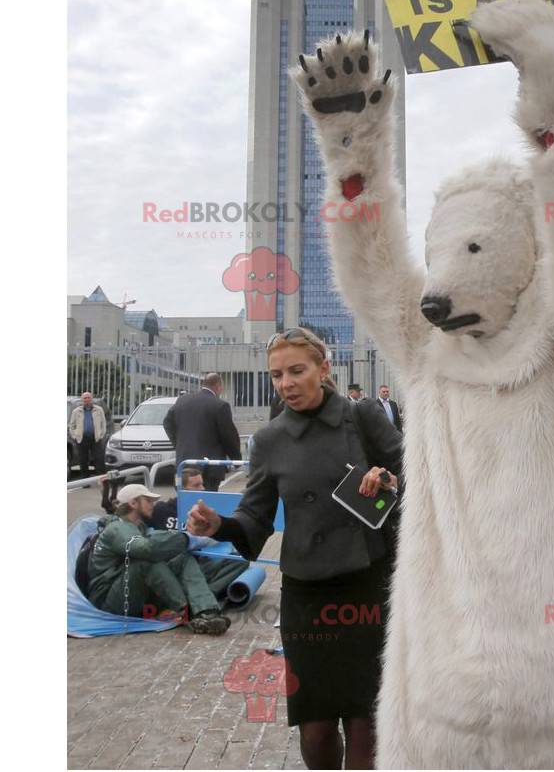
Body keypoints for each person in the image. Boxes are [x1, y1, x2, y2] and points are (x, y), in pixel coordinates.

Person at [186, 326, 402, 769]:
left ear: (324, 369)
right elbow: (254, 521)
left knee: (367, 720)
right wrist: (219, 525)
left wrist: (388, 482)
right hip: (308, 594)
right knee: (315, 726)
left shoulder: (363, 418)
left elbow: (421, 476)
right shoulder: (269, 441)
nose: (286, 383)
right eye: (276, 375)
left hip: (368, 585)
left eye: (297, 371)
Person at [86, 484, 231, 635]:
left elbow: (155, 543)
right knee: (145, 562)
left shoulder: (137, 526)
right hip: (110, 601)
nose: (152, 504)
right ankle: (188, 613)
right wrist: (187, 539)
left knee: (181, 557)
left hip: (130, 592)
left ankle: (206, 611)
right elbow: (146, 549)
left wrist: (183, 542)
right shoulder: (117, 528)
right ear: (133, 503)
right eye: (148, 500)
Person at [145, 468, 250, 598]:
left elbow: (218, 533)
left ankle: (204, 595)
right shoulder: (161, 510)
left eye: (202, 484)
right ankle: (200, 595)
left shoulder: (205, 512)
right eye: (196, 485)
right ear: (179, 489)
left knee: (241, 559)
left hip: (197, 564)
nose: (202, 489)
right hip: (170, 564)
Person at [163, 373, 241, 491]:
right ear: (218, 386)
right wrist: (237, 460)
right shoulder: (220, 406)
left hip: (184, 464)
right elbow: (228, 436)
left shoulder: (182, 401)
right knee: (206, 503)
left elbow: (167, 423)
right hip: (209, 468)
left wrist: (179, 443)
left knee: (183, 503)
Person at [68, 392, 107, 478]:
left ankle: (101, 479)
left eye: (88, 398)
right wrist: (75, 436)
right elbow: (72, 425)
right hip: (82, 439)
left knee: (99, 459)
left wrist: (101, 435)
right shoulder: (76, 411)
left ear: (91, 399)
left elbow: (103, 424)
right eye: (85, 398)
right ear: (82, 400)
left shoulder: (99, 410)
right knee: (83, 460)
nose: (87, 400)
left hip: (95, 438)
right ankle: (85, 481)